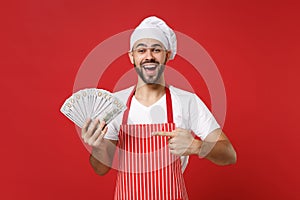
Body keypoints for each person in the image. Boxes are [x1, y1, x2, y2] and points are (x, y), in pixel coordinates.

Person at [81, 16, 236, 200]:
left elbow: (229, 154)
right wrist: (97, 146)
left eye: (156, 49)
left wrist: (197, 146)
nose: (149, 56)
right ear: (132, 56)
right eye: (141, 50)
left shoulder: (187, 102)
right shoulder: (114, 104)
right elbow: (100, 169)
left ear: (167, 55)